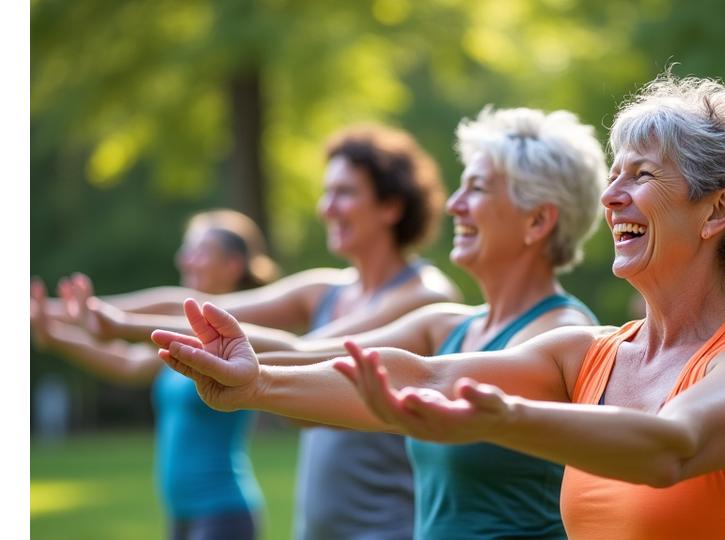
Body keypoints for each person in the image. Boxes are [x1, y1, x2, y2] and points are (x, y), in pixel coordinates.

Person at [154, 72, 725, 539]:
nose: (612, 197)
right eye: (614, 174)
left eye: (641, 175)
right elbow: (429, 374)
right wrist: (259, 382)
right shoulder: (588, 354)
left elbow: (671, 447)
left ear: (717, 210)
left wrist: (502, 418)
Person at [148, 106, 608, 539]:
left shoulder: (558, 333)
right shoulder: (448, 327)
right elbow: (319, 354)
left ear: (538, 220)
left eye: (478, 189)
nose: (454, 205)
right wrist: (241, 366)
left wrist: (257, 383)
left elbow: (425, 377)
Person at [62, 124, 463, 540]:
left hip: (390, 527)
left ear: (391, 206)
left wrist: (123, 325)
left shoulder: (425, 295)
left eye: (344, 193)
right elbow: (199, 306)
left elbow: (308, 351)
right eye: (327, 193)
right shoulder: (323, 289)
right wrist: (74, 315)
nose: (327, 208)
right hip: (318, 528)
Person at [31, 209, 279, 540]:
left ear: (233, 265)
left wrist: (80, 313)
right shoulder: (193, 333)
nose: (184, 260)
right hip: (182, 516)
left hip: (223, 513)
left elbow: (165, 305)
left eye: (199, 251)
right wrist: (56, 336)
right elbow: (127, 363)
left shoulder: (239, 337)